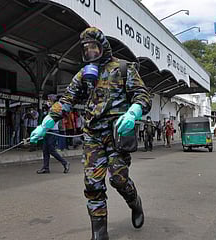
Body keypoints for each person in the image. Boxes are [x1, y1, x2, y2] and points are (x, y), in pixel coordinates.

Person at [29, 27, 150, 239]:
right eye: (86, 49)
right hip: (92, 135)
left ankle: (134, 201)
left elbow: (142, 95)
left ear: (103, 47)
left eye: (94, 47)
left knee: (118, 179)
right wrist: (46, 123)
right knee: (92, 183)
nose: (90, 52)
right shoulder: (85, 74)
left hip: (116, 134)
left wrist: (133, 112)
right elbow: (67, 100)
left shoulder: (123, 68)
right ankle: (99, 233)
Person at [36, 106, 70, 174]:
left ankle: (65, 163)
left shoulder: (55, 115)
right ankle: (46, 168)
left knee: (51, 150)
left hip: (52, 132)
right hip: (47, 133)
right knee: (45, 150)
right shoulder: (49, 115)